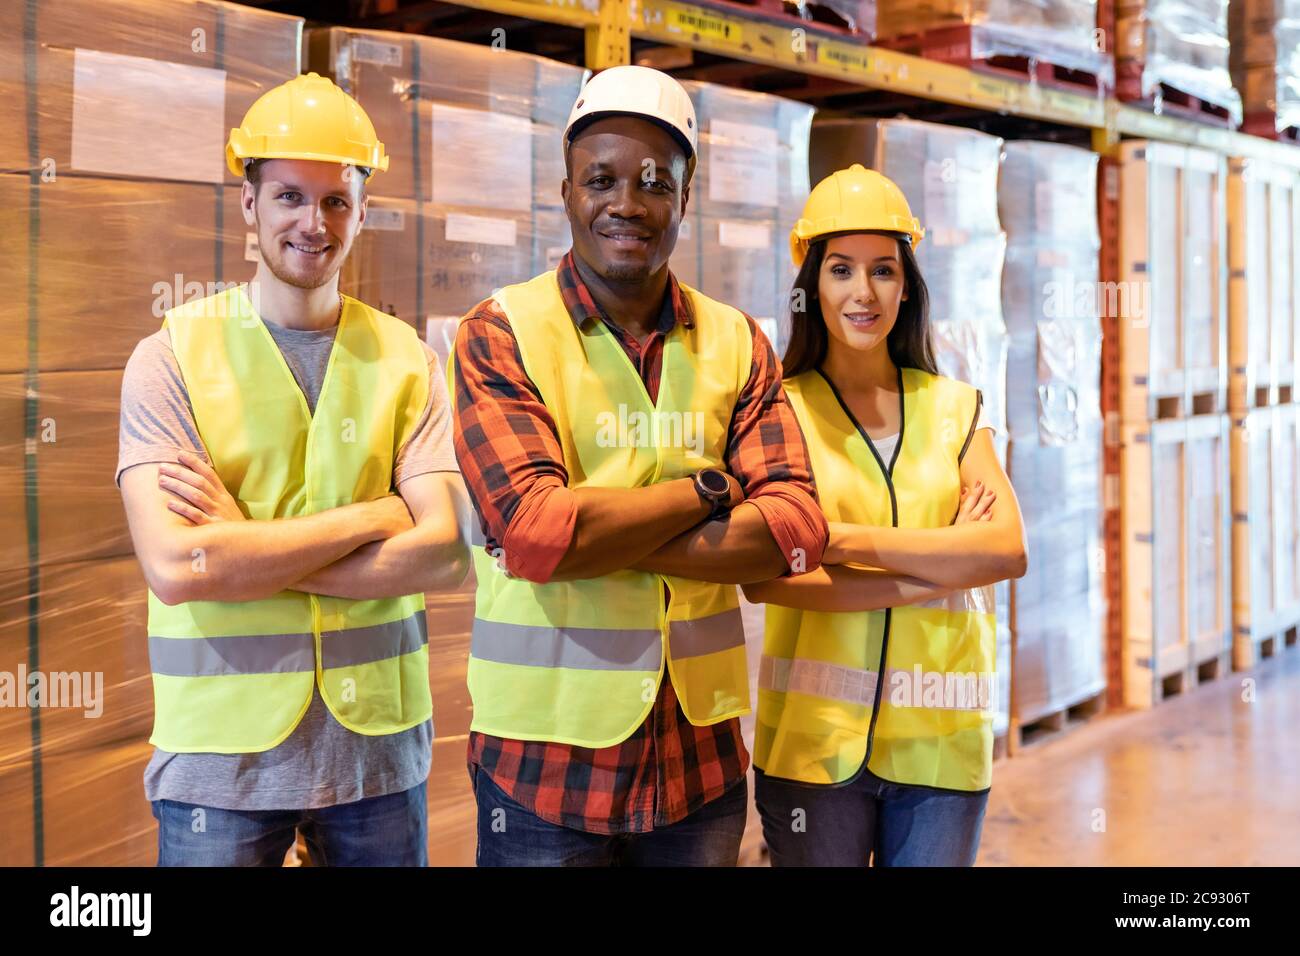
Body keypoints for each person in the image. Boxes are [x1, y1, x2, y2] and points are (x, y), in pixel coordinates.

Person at [450, 65, 828, 867]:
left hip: (699, 773)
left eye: (655, 182)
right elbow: (532, 533)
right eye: (602, 180)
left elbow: (796, 528)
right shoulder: (500, 332)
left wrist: (589, 531)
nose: (628, 202)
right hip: (542, 777)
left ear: (685, 200)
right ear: (565, 194)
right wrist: (709, 491)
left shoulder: (736, 341)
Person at [116, 73, 470, 866]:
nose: (313, 223)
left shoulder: (406, 358)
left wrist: (248, 548)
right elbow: (179, 564)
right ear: (249, 206)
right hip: (220, 769)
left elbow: (446, 552)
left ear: (363, 212)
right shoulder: (170, 357)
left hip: (377, 760)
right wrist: (376, 517)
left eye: (336, 201)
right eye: (289, 198)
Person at [742, 164, 1028, 867]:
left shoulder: (956, 407)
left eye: (883, 271)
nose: (863, 293)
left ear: (908, 285)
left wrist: (841, 541)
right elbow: (768, 578)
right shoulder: (779, 410)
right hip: (813, 750)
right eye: (840, 270)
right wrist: (941, 561)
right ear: (812, 285)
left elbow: (1007, 550)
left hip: (940, 751)